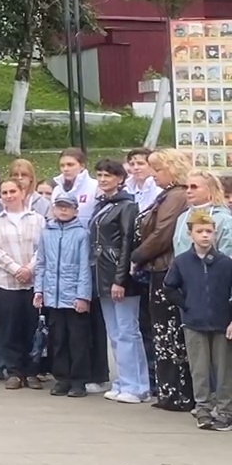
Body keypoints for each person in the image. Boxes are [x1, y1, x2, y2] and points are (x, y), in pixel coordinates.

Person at [133, 147, 195, 412]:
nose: (153, 174)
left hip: (165, 268)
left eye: (158, 169)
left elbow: (163, 233)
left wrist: (137, 255)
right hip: (159, 267)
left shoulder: (176, 195)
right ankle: (169, 390)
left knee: (169, 333)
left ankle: (176, 393)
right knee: (162, 333)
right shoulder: (169, 195)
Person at [90, 157, 149, 404]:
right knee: (115, 332)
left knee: (127, 331)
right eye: (100, 175)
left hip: (119, 276)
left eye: (108, 176)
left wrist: (120, 279)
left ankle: (137, 385)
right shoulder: (102, 204)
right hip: (102, 274)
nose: (103, 180)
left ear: (120, 179)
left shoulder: (127, 205)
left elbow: (127, 242)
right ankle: (124, 380)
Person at [167, 208, 232, 429]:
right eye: (200, 231)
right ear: (190, 234)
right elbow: (170, 287)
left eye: (209, 231)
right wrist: (186, 307)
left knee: (224, 370)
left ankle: (224, 410)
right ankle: (202, 408)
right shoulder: (182, 262)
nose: (205, 235)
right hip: (194, 322)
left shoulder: (225, 263)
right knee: (199, 369)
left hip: (222, 324)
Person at [0, 175, 45, 389]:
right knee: (9, 327)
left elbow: (43, 248)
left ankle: (31, 371)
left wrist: (29, 269)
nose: (9, 196)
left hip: (32, 281)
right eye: (5, 193)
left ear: (23, 193)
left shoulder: (37, 219)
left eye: (13, 192)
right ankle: (13, 371)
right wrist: (15, 269)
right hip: (4, 282)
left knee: (30, 327)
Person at [31, 193, 93, 398]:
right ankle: (62, 378)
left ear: (76, 210)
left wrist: (83, 296)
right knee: (57, 339)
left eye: (67, 207)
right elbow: (41, 264)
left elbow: (85, 267)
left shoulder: (81, 234)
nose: (63, 210)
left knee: (77, 339)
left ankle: (78, 380)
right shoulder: (47, 233)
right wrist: (39, 290)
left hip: (73, 295)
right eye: (59, 207)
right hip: (52, 296)